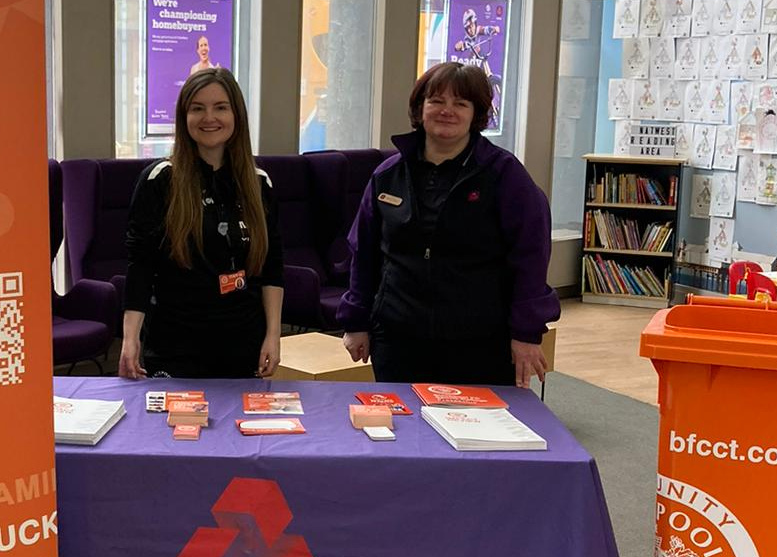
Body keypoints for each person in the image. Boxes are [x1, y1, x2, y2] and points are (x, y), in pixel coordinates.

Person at [337, 62, 559, 388]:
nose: (447, 111)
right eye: (437, 101)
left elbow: (531, 257)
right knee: (403, 432)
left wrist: (527, 333)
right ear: (420, 107)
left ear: (476, 113)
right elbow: (365, 253)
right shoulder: (387, 175)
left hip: (480, 341)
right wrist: (356, 320)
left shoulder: (504, 175)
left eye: (461, 103)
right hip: (398, 336)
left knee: (476, 434)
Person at [120, 67, 284, 380]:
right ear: (184, 118)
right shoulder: (160, 180)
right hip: (176, 344)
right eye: (198, 108)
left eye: (221, 107)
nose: (210, 117)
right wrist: (130, 339)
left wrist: (273, 336)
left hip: (242, 342)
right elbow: (140, 265)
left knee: (242, 429)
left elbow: (271, 265)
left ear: (236, 115)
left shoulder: (259, 183)